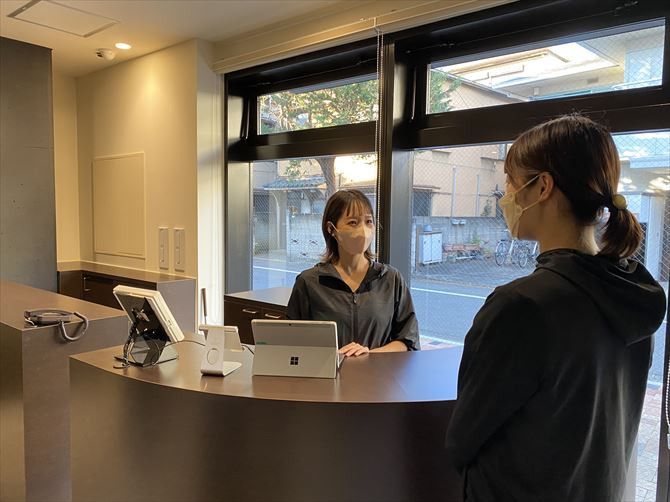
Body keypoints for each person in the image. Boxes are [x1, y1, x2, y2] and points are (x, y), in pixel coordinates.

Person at [445, 115, 667, 501]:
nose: (506, 195)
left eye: (511, 181)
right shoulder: (633, 295)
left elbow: (462, 440)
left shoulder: (520, 307)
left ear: (543, 187)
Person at [286, 188, 420, 357]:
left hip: (378, 372)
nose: (363, 230)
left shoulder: (391, 279)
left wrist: (370, 355)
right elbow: (292, 343)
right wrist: (330, 356)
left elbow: (408, 341)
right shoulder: (309, 282)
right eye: (353, 222)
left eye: (368, 221)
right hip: (330, 372)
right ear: (331, 229)